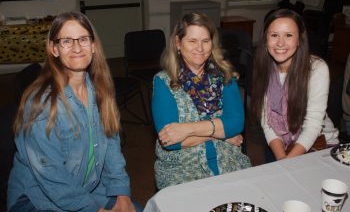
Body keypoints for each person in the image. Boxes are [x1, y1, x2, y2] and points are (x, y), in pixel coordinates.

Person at [7, 11, 142, 212]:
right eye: (67, 41)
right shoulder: (41, 103)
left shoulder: (101, 89)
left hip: (88, 186)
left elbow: (112, 147)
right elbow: (51, 176)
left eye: (83, 39)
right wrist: (94, 210)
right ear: (54, 49)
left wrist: (122, 193)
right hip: (37, 198)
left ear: (94, 46)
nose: (77, 47)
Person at [151, 12, 251, 190]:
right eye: (192, 41)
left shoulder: (226, 76)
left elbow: (236, 124)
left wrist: (186, 129)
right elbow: (171, 140)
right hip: (181, 168)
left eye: (205, 41)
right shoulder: (163, 81)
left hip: (229, 159)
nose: (200, 48)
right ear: (178, 43)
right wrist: (222, 134)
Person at [250, 9, 339, 162]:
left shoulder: (316, 68)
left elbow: (313, 124)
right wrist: (281, 158)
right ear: (265, 39)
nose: (280, 43)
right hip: (279, 145)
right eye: (274, 35)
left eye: (289, 35)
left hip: (317, 144)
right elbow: (267, 120)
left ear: (299, 40)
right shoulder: (264, 67)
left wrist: (286, 162)